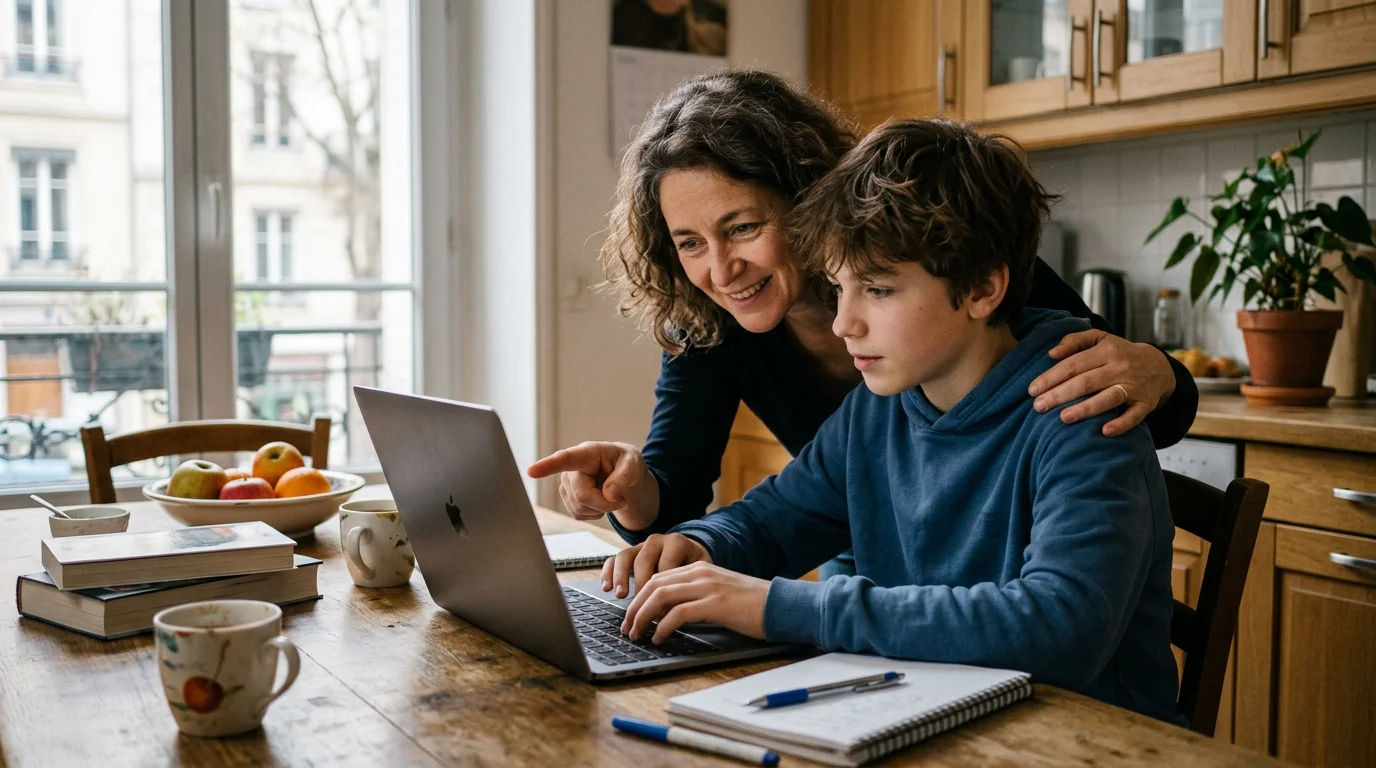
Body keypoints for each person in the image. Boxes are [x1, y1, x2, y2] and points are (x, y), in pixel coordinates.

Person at [603, 118, 1182, 723]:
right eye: (838, 287)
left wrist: (782, 605)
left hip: (1083, 738)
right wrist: (694, 547)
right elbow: (772, 524)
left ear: (983, 287)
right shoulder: (876, 411)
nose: (842, 323)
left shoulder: (1080, 411)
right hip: (934, 715)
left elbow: (1060, 628)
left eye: (877, 290)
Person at [528, 70, 1197, 583]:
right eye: (689, 243)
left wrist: (1160, 371)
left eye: (742, 227)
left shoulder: (945, 269)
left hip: (997, 588)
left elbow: (1120, 404)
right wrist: (634, 490)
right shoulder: (715, 325)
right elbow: (721, 514)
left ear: (807, 199)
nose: (721, 269)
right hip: (877, 572)